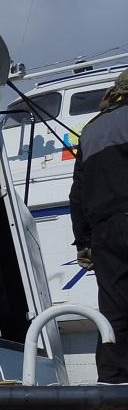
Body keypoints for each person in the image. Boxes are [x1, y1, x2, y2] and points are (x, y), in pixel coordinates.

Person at [69, 68, 128, 382]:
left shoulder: (91, 130)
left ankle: (113, 381)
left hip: (105, 232)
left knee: (114, 308)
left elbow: (77, 193)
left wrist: (84, 243)